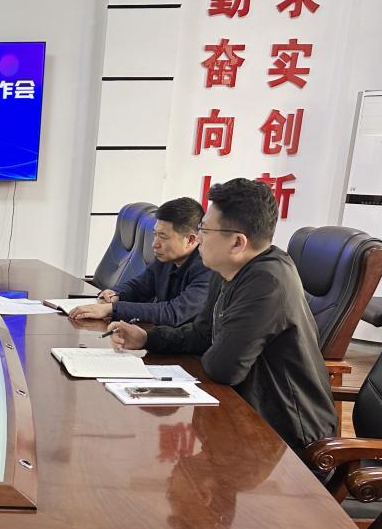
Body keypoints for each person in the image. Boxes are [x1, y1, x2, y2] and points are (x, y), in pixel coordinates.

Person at [107, 178, 336, 453]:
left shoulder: (267, 282)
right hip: (244, 412)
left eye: (205, 229)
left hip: (288, 437)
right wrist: (147, 338)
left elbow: (223, 368)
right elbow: (200, 334)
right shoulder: (226, 268)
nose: (199, 237)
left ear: (237, 243)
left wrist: (210, 346)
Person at [70, 197, 211, 325]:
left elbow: (174, 313)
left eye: (163, 237)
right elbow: (139, 287)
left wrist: (112, 309)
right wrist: (115, 294)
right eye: (155, 234)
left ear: (190, 240)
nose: (154, 244)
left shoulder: (207, 268)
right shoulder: (167, 258)